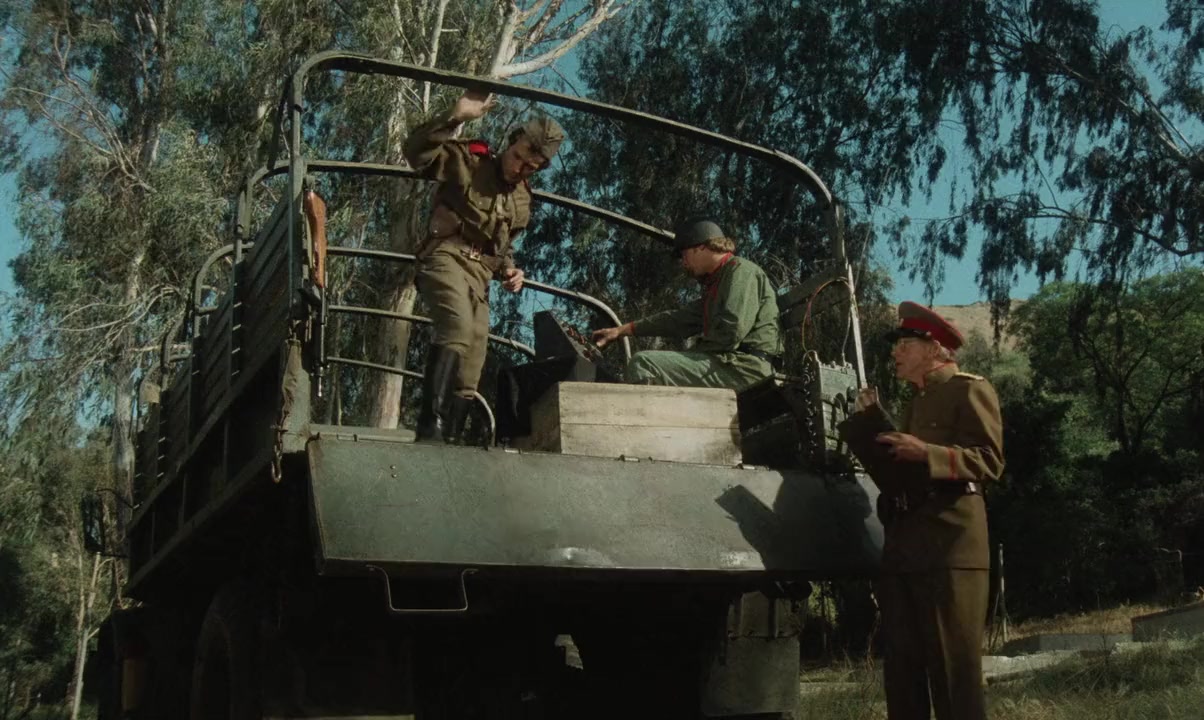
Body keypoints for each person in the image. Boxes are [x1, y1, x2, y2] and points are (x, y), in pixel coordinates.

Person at [855, 301, 1004, 720]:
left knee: (955, 673)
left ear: (934, 348)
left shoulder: (970, 389)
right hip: (906, 544)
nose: (895, 352)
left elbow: (989, 461)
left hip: (951, 545)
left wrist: (927, 452)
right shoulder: (916, 401)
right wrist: (873, 426)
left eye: (904, 345)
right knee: (903, 672)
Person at [404, 90, 564, 442]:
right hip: (446, 257)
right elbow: (415, 153)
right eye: (517, 156)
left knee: (472, 362)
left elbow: (503, 247)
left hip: (480, 279)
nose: (518, 167)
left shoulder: (522, 199)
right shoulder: (470, 162)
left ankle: (451, 442)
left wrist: (510, 270)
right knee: (457, 326)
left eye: (529, 167)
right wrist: (455, 117)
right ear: (512, 142)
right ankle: (430, 430)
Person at [591, 218, 781, 391]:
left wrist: (694, 353)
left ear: (701, 247)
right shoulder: (717, 283)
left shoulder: (740, 271)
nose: (684, 263)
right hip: (728, 364)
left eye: (685, 255)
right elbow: (677, 320)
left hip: (745, 368)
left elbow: (732, 330)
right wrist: (622, 330)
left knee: (644, 363)